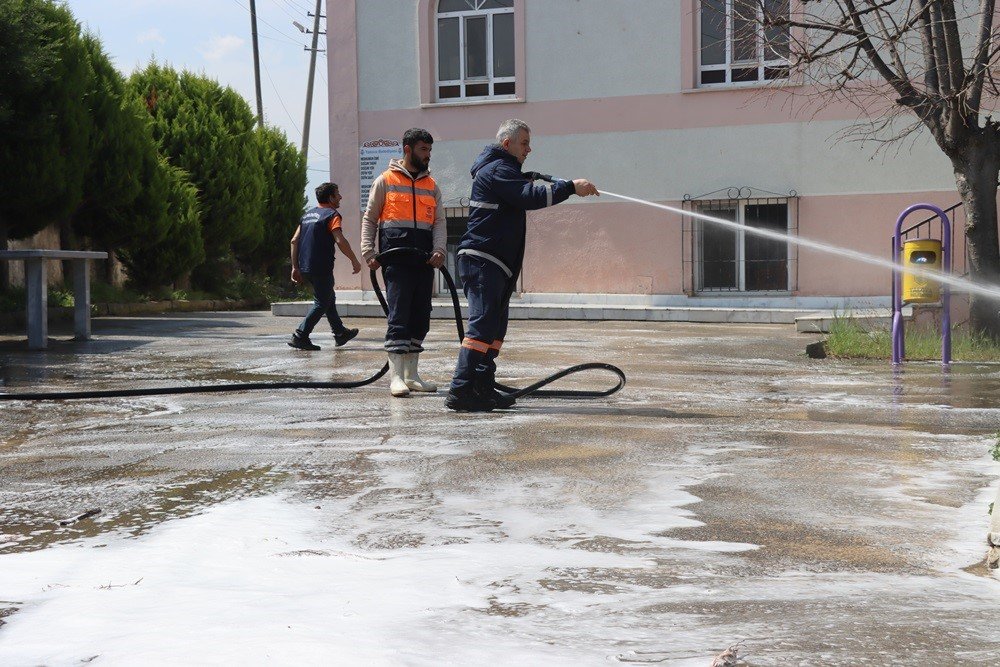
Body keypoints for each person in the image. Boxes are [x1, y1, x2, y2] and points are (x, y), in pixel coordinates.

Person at [446, 119, 599, 412]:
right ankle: (460, 391)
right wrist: (570, 187)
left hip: (496, 264)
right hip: (483, 261)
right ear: (507, 144)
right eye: (525, 143)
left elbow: (518, 192)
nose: (530, 149)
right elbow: (529, 197)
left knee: (494, 330)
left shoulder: (504, 172)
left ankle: (482, 388)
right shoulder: (497, 171)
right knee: (482, 328)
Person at [360, 128, 447, 397]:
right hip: (396, 261)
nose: (428, 155)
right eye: (423, 150)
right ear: (407, 150)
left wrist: (440, 250)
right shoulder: (385, 181)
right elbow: (370, 218)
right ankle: (395, 377)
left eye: (430, 150)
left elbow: (440, 222)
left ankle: (411, 375)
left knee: (421, 317)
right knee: (399, 316)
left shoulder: (432, 185)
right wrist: (368, 252)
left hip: (424, 261)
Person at [289, 182, 362, 351]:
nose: (341, 197)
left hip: (306, 267)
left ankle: (339, 333)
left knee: (329, 297)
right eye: (338, 194)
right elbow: (340, 240)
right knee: (322, 302)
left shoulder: (307, 215)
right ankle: (300, 335)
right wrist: (354, 260)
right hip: (321, 267)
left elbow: (294, 240)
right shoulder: (331, 215)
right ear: (330, 198)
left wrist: (295, 266)